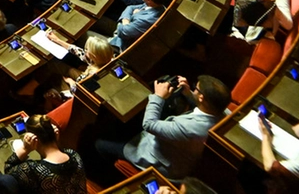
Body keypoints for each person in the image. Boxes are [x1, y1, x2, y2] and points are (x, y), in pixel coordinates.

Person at [96, 75, 229, 179]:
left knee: (100, 144)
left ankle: (111, 178)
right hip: (178, 150)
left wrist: (158, 96)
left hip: (158, 161)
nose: (193, 88)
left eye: (195, 88)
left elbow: (149, 125)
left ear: (201, 97)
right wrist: (188, 94)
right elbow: (205, 111)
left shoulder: (188, 127)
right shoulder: (224, 114)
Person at [4, 113, 85, 193]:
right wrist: (55, 142)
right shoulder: (74, 155)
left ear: (34, 139)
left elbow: (8, 171)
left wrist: (25, 149)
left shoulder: (32, 169)